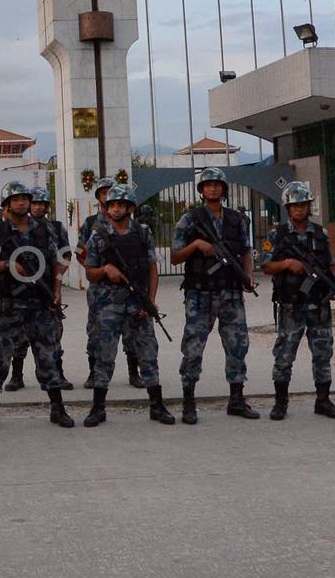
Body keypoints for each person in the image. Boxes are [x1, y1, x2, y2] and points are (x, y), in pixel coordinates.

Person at [0, 180, 74, 430]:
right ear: (7, 205)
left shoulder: (44, 231)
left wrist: (55, 291)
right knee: (0, 357)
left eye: (25, 199)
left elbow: (57, 261)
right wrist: (9, 265)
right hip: (9, 304)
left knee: (48, 356)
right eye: (16, 199)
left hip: (40, 304)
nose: (22, 203)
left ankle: (57, 408)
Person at [170, 167, 259, 424]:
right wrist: (197, 245)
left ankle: (237, 399)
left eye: (217, 185)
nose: (213, 188)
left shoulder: (236, 219)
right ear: (201, 190)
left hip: (231, 292)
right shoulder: (190, 219)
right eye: (208, 185)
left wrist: (248, 276)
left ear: (224, 189)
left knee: (237, 345)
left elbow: (245, 251)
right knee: (194, 347)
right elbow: (175, 257)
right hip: (200, 294)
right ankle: (188, 402)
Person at [81, 184, 174, 426]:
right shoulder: (98, 236)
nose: (116, 209)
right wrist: (105, 269)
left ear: (130, 208)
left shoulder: (143, 233)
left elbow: (153, 268)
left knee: (148, 353)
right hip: (108, 305)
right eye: (111, 205)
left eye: (121, 204)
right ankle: (98, 408)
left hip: (138, 303)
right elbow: (89, 273)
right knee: (104, 356)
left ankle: (157, 406)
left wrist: (151, 302)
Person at [260, 181, 335, 421]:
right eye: (295, 205)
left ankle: (323, 400)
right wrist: (287, 264)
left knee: (322, 353)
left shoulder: (320, 234)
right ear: (288, 207)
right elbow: (266, 265)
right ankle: (280, 402)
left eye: (303, 205)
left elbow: (328, 266)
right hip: (291, 305)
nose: (300, 210)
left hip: (318, 304)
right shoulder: (277, 234)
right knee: (285, 354)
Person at [9, 185, 72, 391]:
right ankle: (16, 376)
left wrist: (57, 286)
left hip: (48, 287)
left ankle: (58, 374)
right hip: (21, 290)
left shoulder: (55, 228)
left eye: (41, 204)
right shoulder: (16, 227)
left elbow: (65, 257)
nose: (37, 208)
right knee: (19, 336)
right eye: (34, 203)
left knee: (53, 335)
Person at [75, 177, 123, 390]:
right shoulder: (90, 223)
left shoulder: (128, 221)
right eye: (103, 193)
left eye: (110, 192)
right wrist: (92, 268)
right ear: (99, 197)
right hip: (99, 288)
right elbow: (79, 251)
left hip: (125, 285)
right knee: (95, 330)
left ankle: (134, 371)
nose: (107, 196)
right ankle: (94, 372)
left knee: (131, 331)